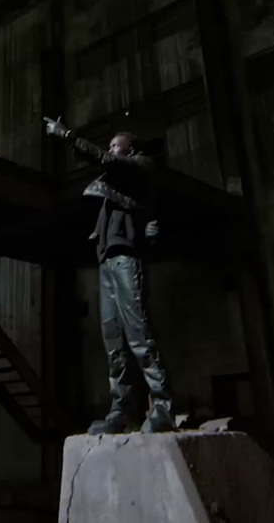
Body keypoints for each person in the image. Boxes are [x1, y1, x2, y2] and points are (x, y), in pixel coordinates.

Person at [43, 116, 174, 435]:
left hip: (127, 260)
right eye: (111, 146)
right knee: (113, 341)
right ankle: (121, 410)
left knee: (139, 335)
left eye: (117, 146)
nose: (112, 151)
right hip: (107, 264)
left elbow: (103, 160)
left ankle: (163, 406)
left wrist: (67, 136)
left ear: (130, 151)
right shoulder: (115, 183)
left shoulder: (140, 167)